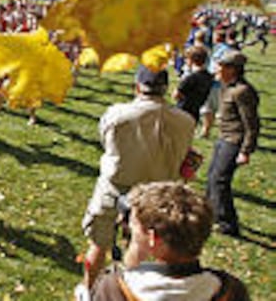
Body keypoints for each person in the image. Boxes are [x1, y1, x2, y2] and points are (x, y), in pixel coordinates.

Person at [81, 65, 195, 287]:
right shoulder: (185, 121)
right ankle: (128, 293)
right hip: (158, 195)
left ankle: (89, 290)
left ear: (137, 87)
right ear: (165, 88)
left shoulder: (117, 114)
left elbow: (106, 142)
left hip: (115, 188)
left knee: (98, 245)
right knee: (139, 247)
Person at [85, 181, 250, 300]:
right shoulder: (229, 290)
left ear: (152, 238)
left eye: (134, 225)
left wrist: (134, 252)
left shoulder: (115, 288)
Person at [206, 50, 259, 237]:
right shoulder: (226, 86)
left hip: (234, 141)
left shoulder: (242, 91)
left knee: (220, 181)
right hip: (223, 138)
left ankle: (228, 224)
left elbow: (251, 124)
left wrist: (246, 150)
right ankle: (210, 214)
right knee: (212, 177)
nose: (218, 69)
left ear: (233, 69)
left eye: (222, 66)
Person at [172, 45, 213, 124]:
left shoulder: (190, 78)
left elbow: (175, 95)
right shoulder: (209, 76)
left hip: (183, 111)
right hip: (196, 111)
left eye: (186, 59)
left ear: (191, 60)